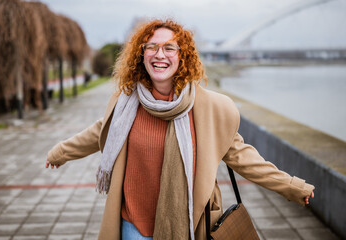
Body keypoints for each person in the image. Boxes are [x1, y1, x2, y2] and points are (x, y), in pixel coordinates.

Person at [46, 19, 315, 240]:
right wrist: (60, 152)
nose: (159, 54)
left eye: (169, 48)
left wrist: (291, 186)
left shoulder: (208, 109)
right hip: (132, 226)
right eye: (151, 47)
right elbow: (98, 132)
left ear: (182, 56)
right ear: (142, 55)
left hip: (186, 226)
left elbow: (242, 156)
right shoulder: (126, 102)